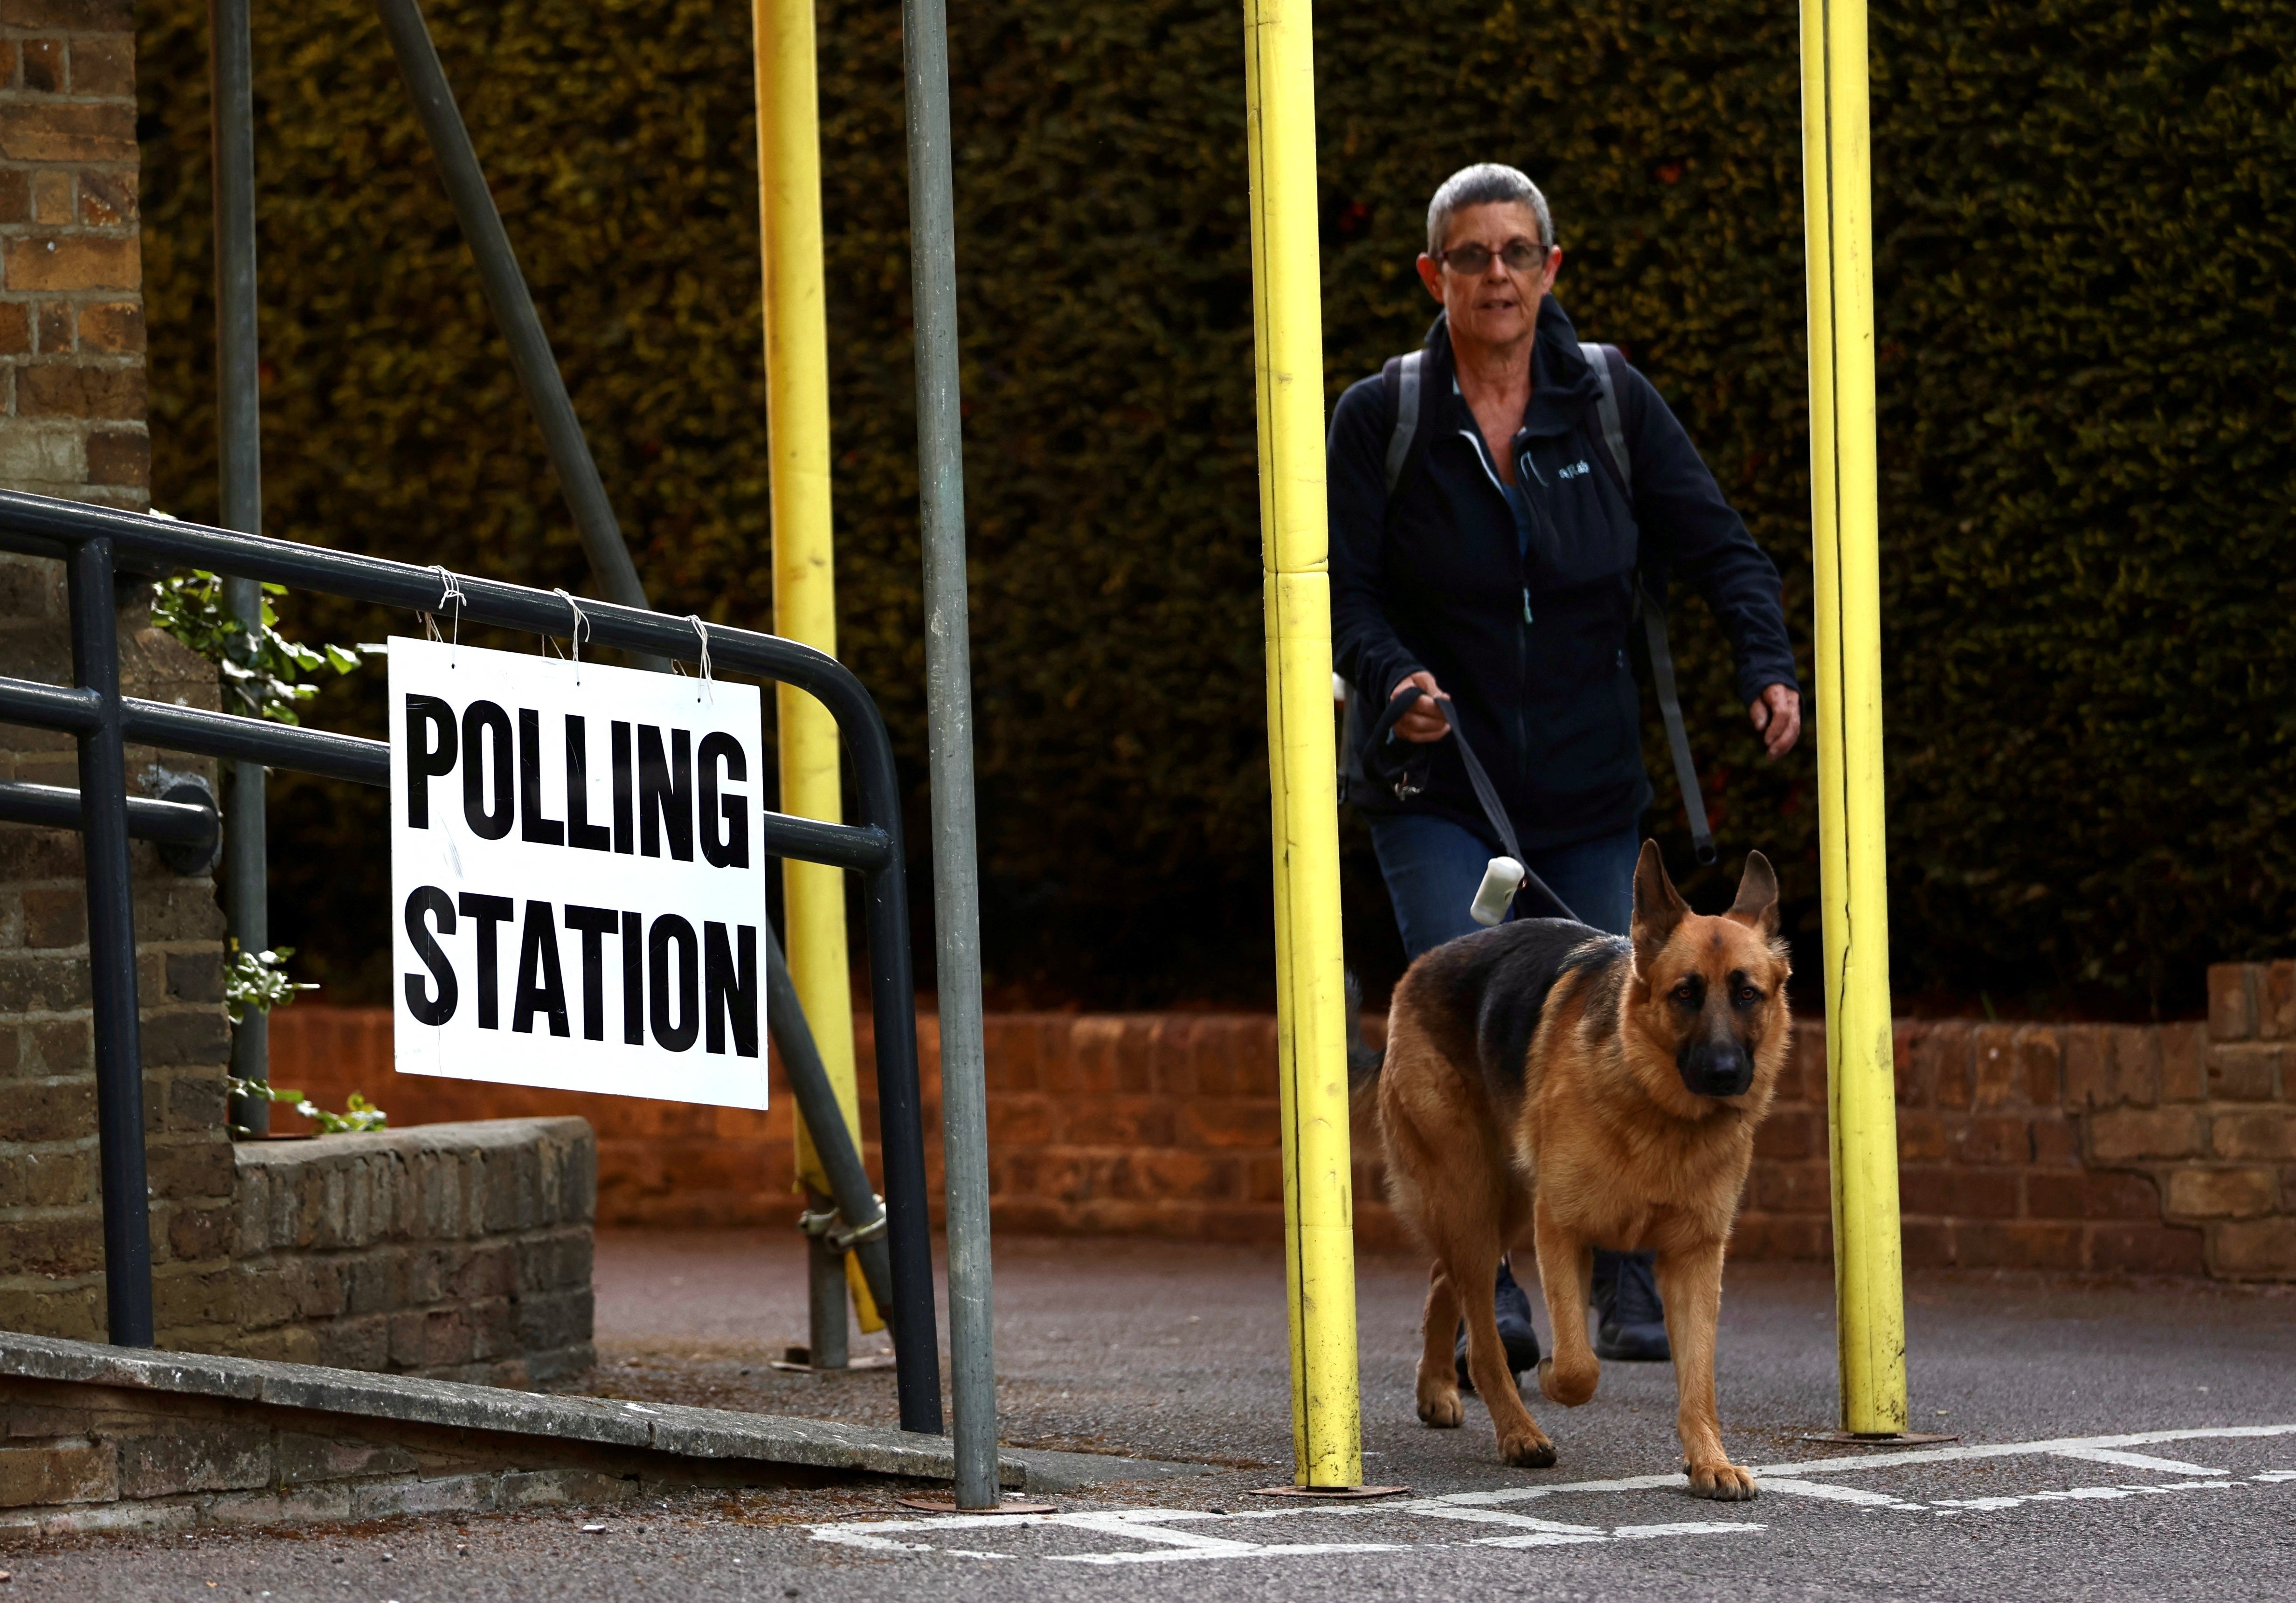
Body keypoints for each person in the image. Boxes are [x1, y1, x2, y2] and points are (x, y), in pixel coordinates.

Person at [1328, 163, 1803, 1377]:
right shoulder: (1382, 419)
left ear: (1551, 269)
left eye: (1516, 252)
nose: (1496, 275)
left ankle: (1632, 1276)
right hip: (1440, 791)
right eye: (1470, 256)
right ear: (1433, 276)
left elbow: (1717, 543)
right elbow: (1346, 592)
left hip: (1590, 793)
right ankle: (1502, 1283)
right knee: (1485, 1023)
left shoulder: (1605, 399)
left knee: (1623, 1025)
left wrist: (1765, 664)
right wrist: (1394, 682)